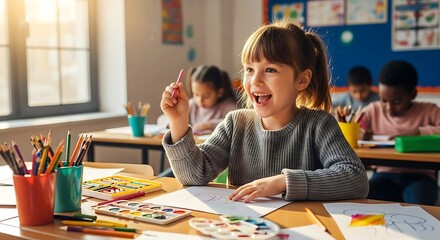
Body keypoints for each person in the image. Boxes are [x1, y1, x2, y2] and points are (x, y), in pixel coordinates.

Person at [160, 20, 368, 203]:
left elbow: (356, 179)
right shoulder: (235, 123)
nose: (255, 80)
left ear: (302, 80)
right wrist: (178, 123)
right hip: (246, 228)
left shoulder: (318, 124)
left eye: (270, 70)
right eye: (249, 69)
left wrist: (283, 182)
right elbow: (194, 175)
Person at [360, 60, 440, 205]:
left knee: (420, 208)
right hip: (384, 174)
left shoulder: (429, 110)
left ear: (412, 94)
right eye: (383, 100)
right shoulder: (373, 110)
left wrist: (417, 132)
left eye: (396, 102)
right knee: (369, 203)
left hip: (420, 176)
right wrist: (360, 133)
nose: (388, 108)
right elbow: (353, 127)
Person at [158, 65, 238, 135]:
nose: (200, 100)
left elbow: (237, 122)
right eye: (196, 94)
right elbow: (161, 120)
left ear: (219, 92)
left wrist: (209, 125)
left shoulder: (226, 106)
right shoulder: (191, 104)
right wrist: (175, 122)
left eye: (206, 96)